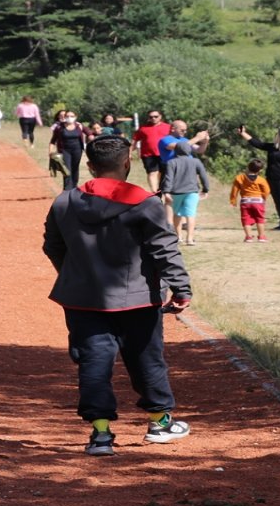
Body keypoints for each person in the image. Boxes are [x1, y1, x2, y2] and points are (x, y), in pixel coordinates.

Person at [42, 134, 193, 457]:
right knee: (146, 360)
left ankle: (100, 436)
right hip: (139, 300)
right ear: (128, 162)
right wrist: (181, 287)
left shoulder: (65, 201)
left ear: (89, 165)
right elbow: (164, 248)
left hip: (84, 300)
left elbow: (52, 247)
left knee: (93, 363)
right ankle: (160, 423)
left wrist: (75, 274)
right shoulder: (145, 202)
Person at [238, 125, 280, 232]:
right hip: (272, 178)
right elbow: (258, 144)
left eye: (278, 134)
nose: (276, 135)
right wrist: (243, 133)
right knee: (278, 201)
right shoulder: (274, 147)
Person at [159, 142, 210, 245]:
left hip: (176, 192)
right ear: (189, 150)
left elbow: (168, 178)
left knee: (177, 214)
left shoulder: (171, 162)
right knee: (190, 215)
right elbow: (203, 176)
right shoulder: (196, 161)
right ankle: (190, 239)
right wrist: (205, 189)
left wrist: (166, 191)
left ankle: (178, 237)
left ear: (176, 150)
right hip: (192, 192)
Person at [229, 158, 271, 243]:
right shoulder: (261, 180)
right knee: (260, 218)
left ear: (248, 167)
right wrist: (263, 198)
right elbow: (267, 190)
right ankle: (261, 236)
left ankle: (248, 237)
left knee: (246, 219)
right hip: (258, 201)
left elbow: (235, 190)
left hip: (245, 201)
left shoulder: (239, 178)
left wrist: (233, 200)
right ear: (260, 170)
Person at [49, 110, 93, 190]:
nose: (69, 118)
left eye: (72, 116)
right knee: (66, 170)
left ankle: (74, 187)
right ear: (64, 117)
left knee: (75, 168)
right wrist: (50, 152)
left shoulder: (79, 126)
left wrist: (91, 139)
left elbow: (89, 133)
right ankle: (67, 189)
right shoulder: (59, 127)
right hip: (64, 151)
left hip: (77, 150)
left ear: (75, 117)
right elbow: (53, 141)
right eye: (67, 116)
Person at [130, 110, 171, 192]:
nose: (153, 118)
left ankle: (160, 190)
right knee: (152, 173)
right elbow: (135, 140)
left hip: (164, 154)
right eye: (151, 117)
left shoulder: (168, 127)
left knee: (162, 173)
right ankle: (154, 191)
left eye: (156, 116)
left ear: (160, 117)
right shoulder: (143, 128)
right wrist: (129, 152)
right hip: (148, 155)